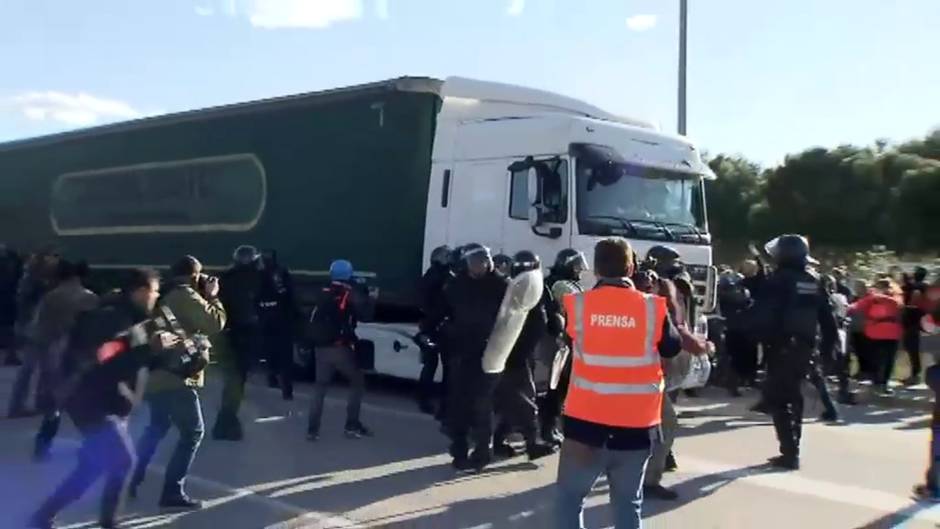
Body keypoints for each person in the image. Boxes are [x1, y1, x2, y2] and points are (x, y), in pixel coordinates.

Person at [29, 269, 179, 529]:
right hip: (89, 400)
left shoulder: (130, 318)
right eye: (154, 291)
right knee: (123, 459)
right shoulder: (111, 318)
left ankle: (42, 516)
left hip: (107, 401)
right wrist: (148, 350)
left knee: (93, 467)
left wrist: (163, 352)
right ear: (141, 291)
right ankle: (109, 523)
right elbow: (106, 360)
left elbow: (134, 357)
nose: (156, 297)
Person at [555, 237, 688, 529]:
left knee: (569, 498)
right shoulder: (653, 308)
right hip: (636, 427)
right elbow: (672, 348)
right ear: (630, 268)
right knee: (628, 503)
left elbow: (568, 344)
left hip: (585, 424)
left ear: (597, 269)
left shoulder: (577, 306)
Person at [129, 256, 225, 510]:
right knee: (193, 432)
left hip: (154, 373)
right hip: (175, 377)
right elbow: (214, 323)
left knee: (157, 427)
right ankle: (172, 491)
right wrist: (212, 296)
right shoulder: (185, 296)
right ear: (194, 275)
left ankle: (130, 477)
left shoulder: (163, 295)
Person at [749, 235, 837, 471]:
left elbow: (763, 316)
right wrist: (828, 349)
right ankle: (793, 448)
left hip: (782, 346)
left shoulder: (777, 281)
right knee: (793, 396)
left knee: (779, 399)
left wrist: (758, 341)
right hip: (807, 347)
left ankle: (789, 454)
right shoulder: (814, 280)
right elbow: (827, 320)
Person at [438, 243, 508, 471]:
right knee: (459, 402)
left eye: (484, 261)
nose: (481, 266)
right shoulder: (457, 285)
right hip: (462, 350)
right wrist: (443, 330)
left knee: (482, 404)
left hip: (489, 351)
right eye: (476, 262)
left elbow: (511, 317)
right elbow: (442, 311)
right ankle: (459, 450)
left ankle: (482, 451)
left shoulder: (501, 285)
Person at [490, 251, 558, 462]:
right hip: (513, 356)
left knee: (514, 400)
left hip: (515, 354)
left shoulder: (519, 290)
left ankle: (501, 442)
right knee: (524, 401)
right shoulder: (518, 292)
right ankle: (532, 443)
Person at [29, 259, 100, 461]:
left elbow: (39, 330)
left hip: (53, 354)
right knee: (85, 406)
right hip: (79, 357)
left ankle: (41, 447)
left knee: (53, 407)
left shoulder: (50, 297)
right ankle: (91, 447)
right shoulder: (90, 298)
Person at [306, 259, 372, 440]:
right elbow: (366, 315)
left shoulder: (323, 291)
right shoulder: (349, 293)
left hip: (320, 348)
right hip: (340, 348)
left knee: (320, 388)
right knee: (357, 381)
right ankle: (351, 425)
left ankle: (312, 430)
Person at [212, 245, 264, 441]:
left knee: (233, 380)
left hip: (227, 334)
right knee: (236, 381)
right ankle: (226, 422)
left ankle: (226, 421)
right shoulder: (256, 279)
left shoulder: (225, 278)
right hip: (244, 335)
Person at [539, 249, 589, 446]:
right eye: (576, 266)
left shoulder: (562, 282)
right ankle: (548, 430)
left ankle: (551, 428)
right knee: (557, 388)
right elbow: (574, 310)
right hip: (560, 343)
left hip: (565, 341)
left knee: (561, 388)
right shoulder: (561, 285)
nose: (579, 270)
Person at [8, 250, 61, 417]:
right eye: (53, 256)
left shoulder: (32, 278)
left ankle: (36, 402)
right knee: (31, 368)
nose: (55, 260)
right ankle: (20, 405)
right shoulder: (35, 281)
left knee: (42, 368)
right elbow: (29, 305)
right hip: (34, 328)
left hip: (35, 328)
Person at [416, 245, 455, 416]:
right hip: (439, 327)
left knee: (430, 365)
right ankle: (443, 405)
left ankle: (424, 399)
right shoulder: (443, 278)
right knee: (446, 367)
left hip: (428, 326)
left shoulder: (429, 277)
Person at [850, 278, 903, 396]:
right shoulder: (896, 299)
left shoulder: (872, 299)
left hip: (875, 332)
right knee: (888, 360)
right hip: (892, 333)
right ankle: (883, 384)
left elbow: (855, 308)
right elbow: (900, 314)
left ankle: (877, 383)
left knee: (876, 358)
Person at [259, 249, 297, 400]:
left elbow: (252, 296)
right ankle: (286, 389)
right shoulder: (281, 273)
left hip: (266, 317)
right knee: (284, 355)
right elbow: (290, 295)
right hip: (281, 318)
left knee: (270, 350)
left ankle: (272, 376)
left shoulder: (258, 274)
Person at [902, 267, 929, 385]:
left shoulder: (914, 287)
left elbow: (913, 297)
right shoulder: (926, 287)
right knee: (913, 348)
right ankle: (915, 374)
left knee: (912, 348)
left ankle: (915, 375)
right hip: (921, 321)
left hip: (911, 321)